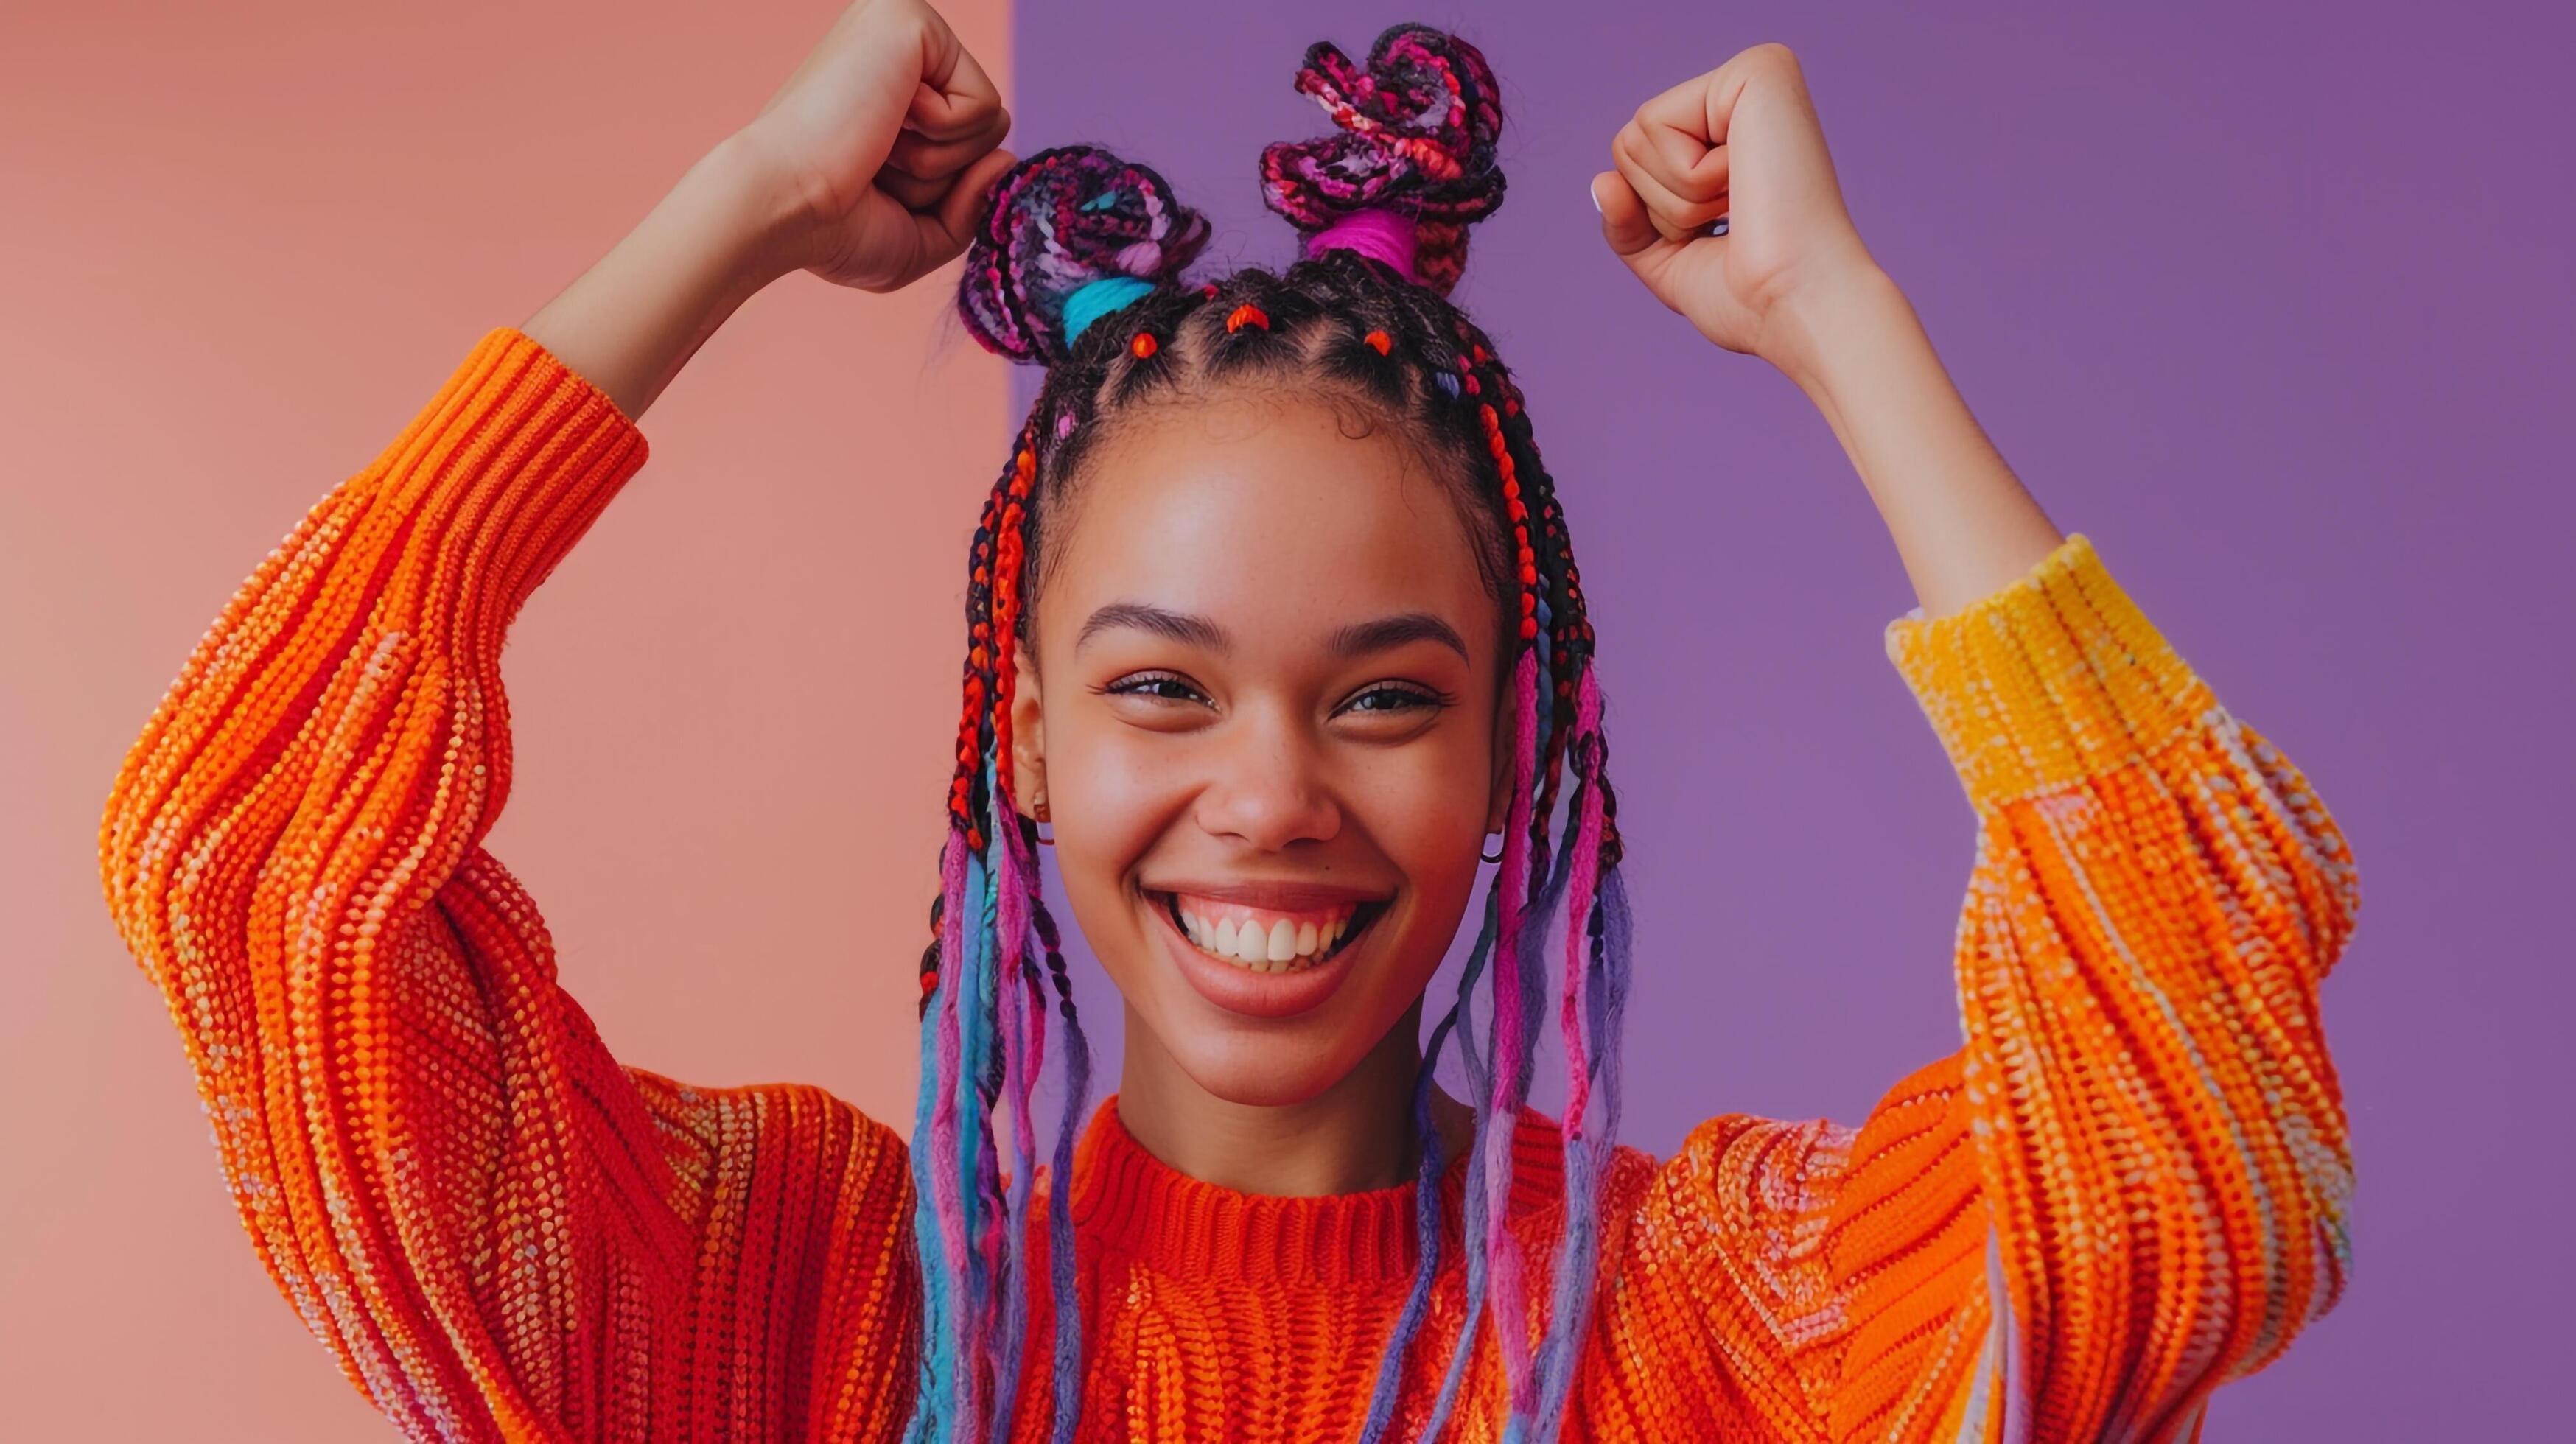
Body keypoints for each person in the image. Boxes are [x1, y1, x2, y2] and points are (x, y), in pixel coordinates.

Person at [95, 3, 2360, 1440]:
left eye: (1387, 698)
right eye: (1161, 687)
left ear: (1517, 760)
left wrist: (1839, 320)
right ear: (1021, 738)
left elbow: (2211, 1112)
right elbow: (245, 857)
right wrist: (740, 211)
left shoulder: (1720, 1333)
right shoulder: (778, 1313)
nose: (1269, 799)